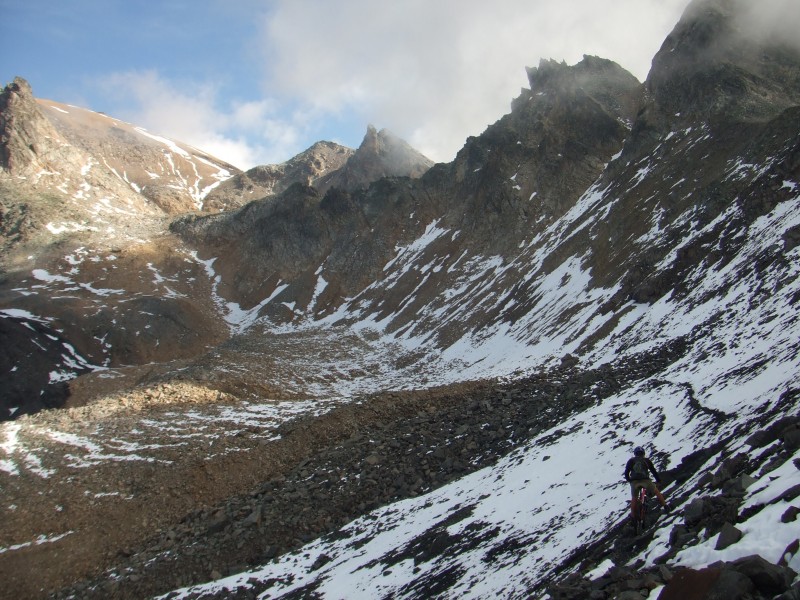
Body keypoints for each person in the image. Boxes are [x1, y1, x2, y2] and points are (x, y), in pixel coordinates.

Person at [624, 446, 669, 520]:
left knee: (634, 498)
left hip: (634, 482)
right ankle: (665, 506)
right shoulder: (646, 460)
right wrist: (658, 480)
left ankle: (633, 515)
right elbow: (653, 471)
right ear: (643, 453)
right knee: (656, 492)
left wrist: (630, 481)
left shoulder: (631, 461)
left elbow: (626, 473)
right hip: (646, 481)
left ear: (635, 453)